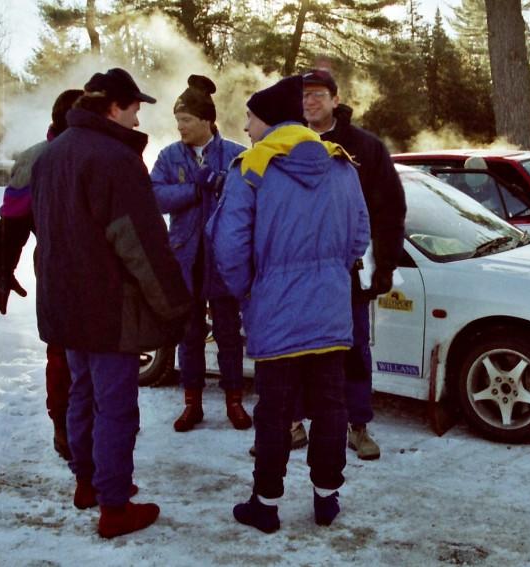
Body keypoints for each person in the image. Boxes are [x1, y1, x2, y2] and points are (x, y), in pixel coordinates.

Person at [30, 68, 192, 538]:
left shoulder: (50, 155)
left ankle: (87, 483)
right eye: (136, 107)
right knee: (116, 407)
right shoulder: (115, 159)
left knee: (82, 395)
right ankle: (115, 506)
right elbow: (139, 243)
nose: (139, 118)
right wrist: (175, 306)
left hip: (63, 304)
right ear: (114, 107)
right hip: (109, 309)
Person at [208, 75, 370, 533]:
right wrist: (330, 274)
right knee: (331, 406)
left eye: (250, 118)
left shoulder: (252, 167)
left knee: (275, 411)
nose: (244, 127)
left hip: (275, 310)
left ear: (269, 120)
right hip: (331, 308)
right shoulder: (340, 164)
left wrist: (250, 291)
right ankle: (326, 497)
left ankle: (266, 503)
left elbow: (229, 246)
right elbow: (359, 235)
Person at [300, 68, 407, 461]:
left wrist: (385, 265)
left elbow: (390, 209)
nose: (310, 102)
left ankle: (357, 425)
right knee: (299, 349)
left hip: (350, 270)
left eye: (317, 94)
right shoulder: (287, 143)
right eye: (305, 96)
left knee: (354, 348)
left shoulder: (365, 147)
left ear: (334, 99)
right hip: (299, 271)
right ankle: (294, 421)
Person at [151, 75, 251, 433]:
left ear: (206, 120)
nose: (180, 127)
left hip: (224, 259)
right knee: (189, 334)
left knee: (228, 334)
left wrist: (224, 184)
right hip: (185, 258)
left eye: (186, 120)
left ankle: (234, 402)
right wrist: (195, 187)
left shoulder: (237, 154)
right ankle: (191, 403)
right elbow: (155, 197)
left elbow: (250, 202)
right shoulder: (169, 156)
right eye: (177, 120)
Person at [0, 88, 83, 461]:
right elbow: (11, 223)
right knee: (64, 352)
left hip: (82, 270)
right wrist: (1, 271)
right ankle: (63, 425)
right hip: (60, 270)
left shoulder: (91, 152)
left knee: (82, 354)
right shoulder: (35, 159)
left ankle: (81, 427)